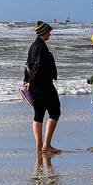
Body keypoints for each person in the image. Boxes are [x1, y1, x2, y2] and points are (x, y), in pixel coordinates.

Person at [24, 21, 61, 155]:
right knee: (55, 111)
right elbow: (38, 66)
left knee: (38, 115)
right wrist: (31, 80)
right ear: (43, 32)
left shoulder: (33, 46)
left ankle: (39, 147)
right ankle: (47, 145)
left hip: (34, 86)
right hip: (44, 85)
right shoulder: (41, 47)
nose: (50, 33)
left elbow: (28, 65)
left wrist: (27, 81)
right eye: (49, 31)